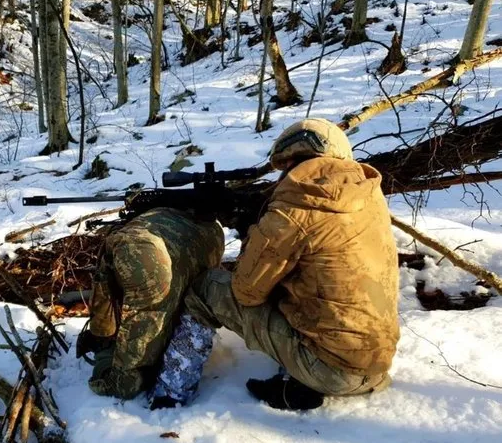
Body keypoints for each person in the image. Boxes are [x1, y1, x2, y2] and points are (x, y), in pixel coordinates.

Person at [150, 118, 400, 411]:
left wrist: (251, 232)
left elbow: (246, 292)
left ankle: (170, 394)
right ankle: (298, 384)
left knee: (204, 290)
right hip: (375, 364)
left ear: (289, 158)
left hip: (330, 369)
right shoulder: (366, 195)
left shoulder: (295, 208)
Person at [77, 207, 225, 400]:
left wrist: (114, 369)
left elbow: (137, 317)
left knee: (126, 384)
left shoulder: (137, 257)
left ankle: (111, 353)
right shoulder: (210, 227)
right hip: (176, 248)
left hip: (145, 257)